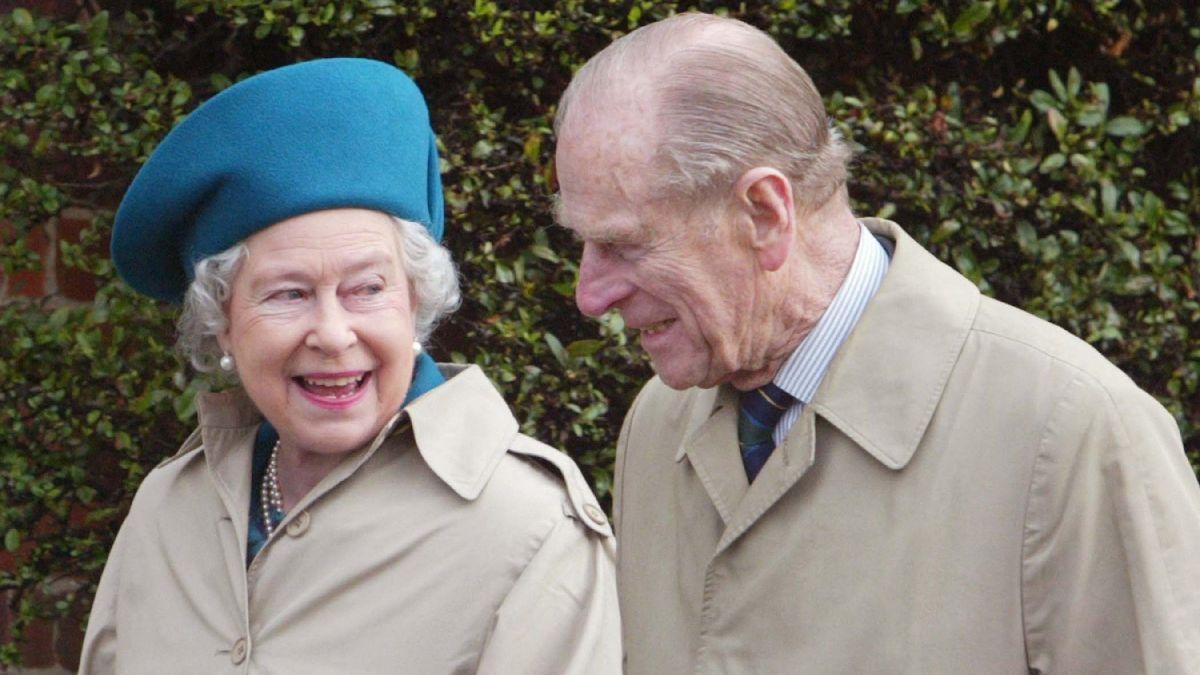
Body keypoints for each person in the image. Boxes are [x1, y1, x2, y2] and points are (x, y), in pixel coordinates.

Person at [552, 12, 1200, 674]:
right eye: (583, 243)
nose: (588, 294)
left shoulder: (1073, 435)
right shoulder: (657, 425)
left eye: (624, 244)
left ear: (765, 215)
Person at [79, 58, 621, 673]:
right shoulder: (168, 507)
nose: (334, 335)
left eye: (366, 289)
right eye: (288, 293)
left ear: (415, 303)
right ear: (222, 321)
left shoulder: (530, 526)